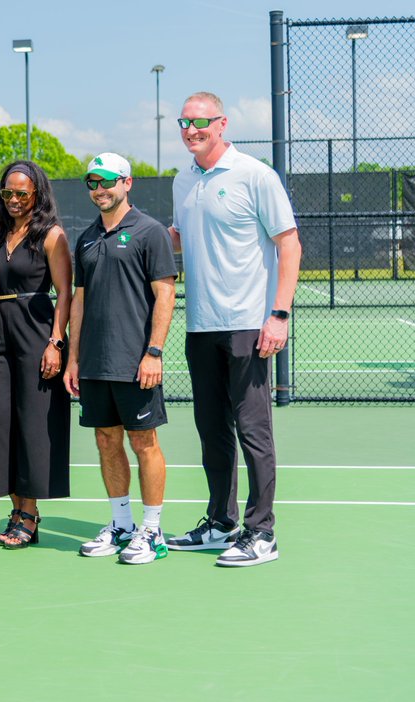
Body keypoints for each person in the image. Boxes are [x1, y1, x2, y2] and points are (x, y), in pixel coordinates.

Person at [166, 91, 301, 567]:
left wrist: (278, 315)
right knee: (211, 430)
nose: (190, 130)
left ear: (222, 123)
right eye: (184, 123)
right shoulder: (183, 181)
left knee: (253, 430)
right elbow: (178, 239)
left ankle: (261, 532)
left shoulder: (255, 175)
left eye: (199, 122)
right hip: (201, 325)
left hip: (250, 324)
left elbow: (289, 244)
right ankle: (221, 524)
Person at [63, 154, 177, 565]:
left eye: (107, 181)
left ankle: (153, 530)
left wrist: (154, 352)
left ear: (127, 183)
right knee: (106, 440)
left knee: (144, 442)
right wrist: (73, 358)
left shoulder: (149, 232)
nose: (99, 189)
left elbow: (165, 294)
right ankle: (122, 524)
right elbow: (80, 299)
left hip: (136, 361)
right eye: (92, 182)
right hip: (94, 362)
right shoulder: (87, 237)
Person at [0, 161, 73, 550]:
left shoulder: (51, 236)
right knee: (1, 422)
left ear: (37, 193)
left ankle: (30, 514)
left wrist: (56, 342)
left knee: (33, 424)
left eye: (23, 192)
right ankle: (14, 508)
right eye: (8, 193)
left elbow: (66, 293)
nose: (15, 199)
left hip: (36, 333)